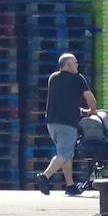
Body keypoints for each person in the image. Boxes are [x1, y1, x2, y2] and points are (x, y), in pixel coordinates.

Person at [36, 52, 97, 194]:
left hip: (51, 122)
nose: (77, 65)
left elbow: (64, 100)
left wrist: (81, 111)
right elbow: (90, 99)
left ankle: (70, 186)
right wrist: (92, 110)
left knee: (65, 154)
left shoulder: (53, 78)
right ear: (68, 65)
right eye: (75, 62)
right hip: (67, 122)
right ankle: (44, 176)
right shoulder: (77, 79)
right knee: (64, 153)